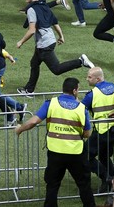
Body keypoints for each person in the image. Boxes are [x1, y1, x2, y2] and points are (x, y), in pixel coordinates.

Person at [15, 77, 96, 207]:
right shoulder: (81, 108)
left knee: (52, 185)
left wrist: (20, 129)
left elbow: (33, 121)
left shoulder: (50, 103)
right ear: (75, 90)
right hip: (76, 152)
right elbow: (87, 133)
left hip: (55, 152)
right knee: (84, 184)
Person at [16, 0, 94, 95]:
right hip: (47, 40)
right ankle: (29, 90)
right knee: (34, 63)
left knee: (56, 69)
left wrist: (21, 41)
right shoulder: (44, 6)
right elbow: (55, 22)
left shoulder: (31, 9)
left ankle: (80, 61)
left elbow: (32, 30)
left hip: (45, 44)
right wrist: (61, 36)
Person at [82, 66, 114, 192]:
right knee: (104, 156)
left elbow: (79, 109)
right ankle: (113, 182)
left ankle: (107, 178)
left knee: (85, 155)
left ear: (98, 78)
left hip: (101, 131)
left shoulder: (93, 94)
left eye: (89, 77)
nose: (87, 79)